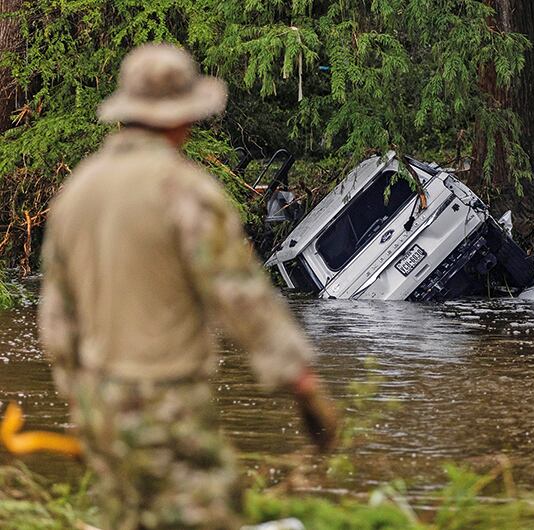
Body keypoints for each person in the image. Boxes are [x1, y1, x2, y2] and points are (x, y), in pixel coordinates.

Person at [37, 43, 339, 529]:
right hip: (166, 405)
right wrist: (300, 380)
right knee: (212, 514)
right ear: (182, 118)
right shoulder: (185, 190)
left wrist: (79, 400)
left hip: (98, 405)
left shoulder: (77, 192)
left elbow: (55, 320)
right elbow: (241, 296)